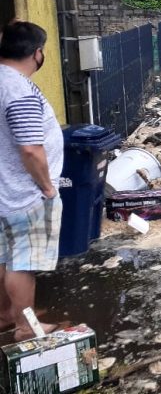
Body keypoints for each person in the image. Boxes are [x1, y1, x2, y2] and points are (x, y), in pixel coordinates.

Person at [0, 21, 64, 341]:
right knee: (22, 263)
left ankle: (6, 315)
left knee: (2, 258)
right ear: (37, 53)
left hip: (3, 191)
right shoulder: (19, 89)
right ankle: (26, 327)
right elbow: (29, 148)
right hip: (23, 193)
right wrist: (47, 187)